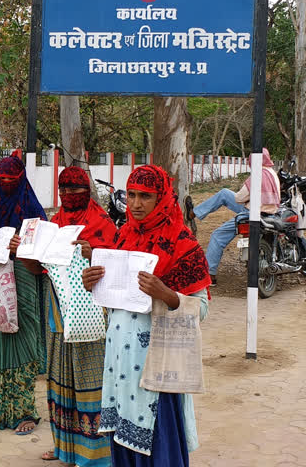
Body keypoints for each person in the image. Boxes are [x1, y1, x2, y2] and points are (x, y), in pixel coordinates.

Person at [83, 165, 211, 466]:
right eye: (132, 195)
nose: (136, 204)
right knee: (124, 443)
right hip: (119, 366)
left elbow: (201, 308)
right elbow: (116, 303)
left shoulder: (183, 243)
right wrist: (94, 285)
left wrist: (165, 294)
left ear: (162, 198)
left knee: (158, 445)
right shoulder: (122, 237)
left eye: (146, 196)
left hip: (157, 369)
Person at [43, 166, 117, 465]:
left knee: (90, 378)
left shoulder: (103, 223)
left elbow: (116, 265)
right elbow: (40, 268)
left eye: (74, 189)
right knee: (60, 377)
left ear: (86, 190)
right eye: (63, 190)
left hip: (91, 311)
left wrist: (92, 253)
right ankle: (64, 448)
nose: (68, 196)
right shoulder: (55, 223)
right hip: (58, 310)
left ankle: (94, 454)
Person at [0, 155, 47, 435]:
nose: (5, 184)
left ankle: (24, 412)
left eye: (11, 180)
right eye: (1, 180)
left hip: (26, 279)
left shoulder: (31, 207)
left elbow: (41, 258)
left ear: (20, 179)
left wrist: (21, 250)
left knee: (23, 341)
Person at [185, 148, 280, 284]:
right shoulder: (273, 173)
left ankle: (209, 274)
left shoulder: (257, 175)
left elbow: (239, 198)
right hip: (270, 212)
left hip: (253, 212)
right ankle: (196, 212)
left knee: (217, 236)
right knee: (224, 193)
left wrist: (245, 197)